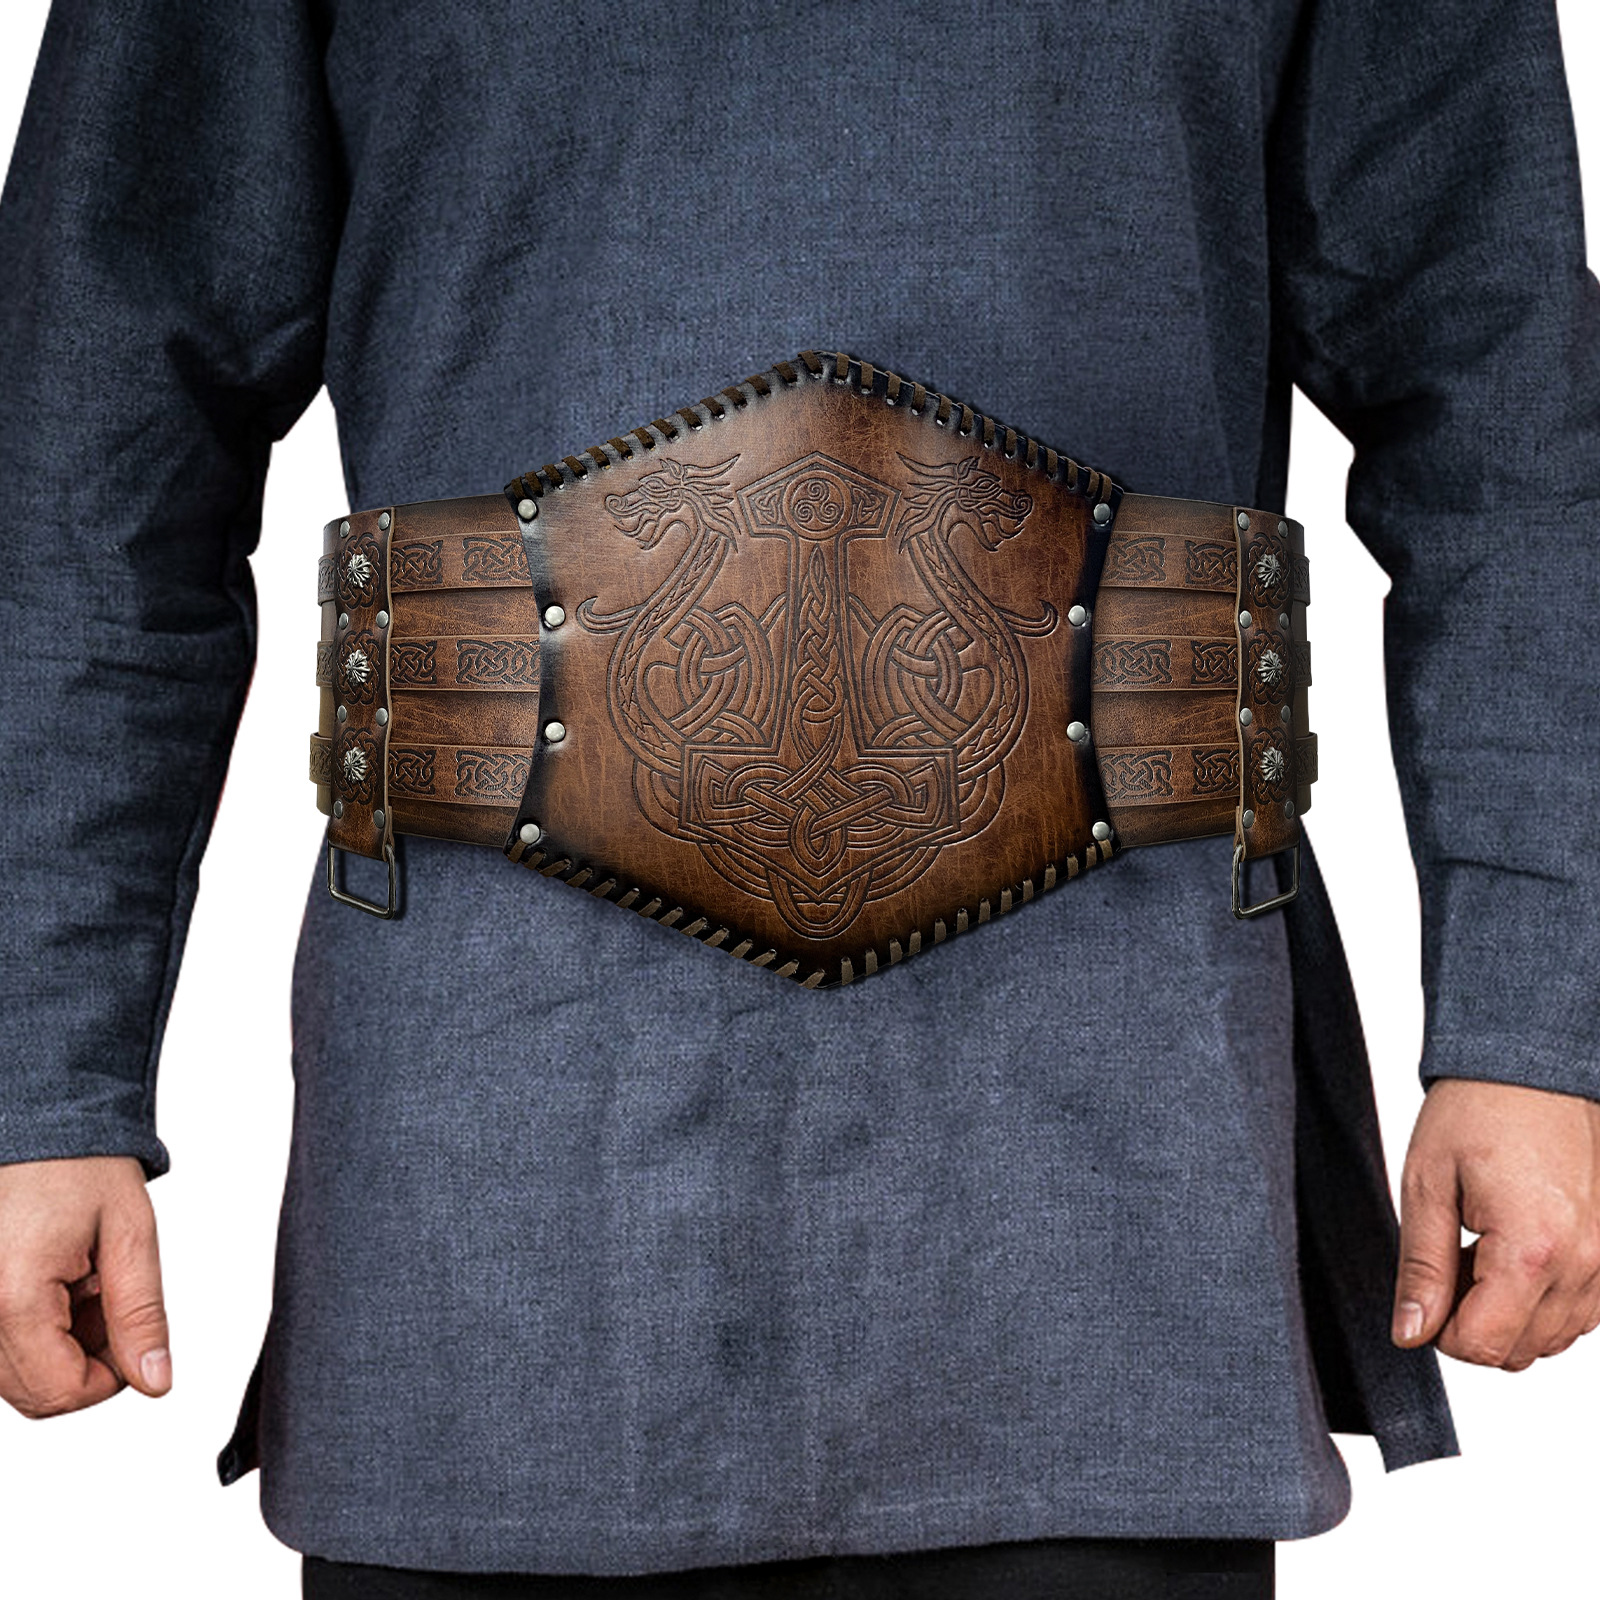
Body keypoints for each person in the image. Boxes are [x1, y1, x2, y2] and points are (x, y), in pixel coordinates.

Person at [2, 4, 1598, 1599]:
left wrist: (1533, 1028)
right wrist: (37, 1079)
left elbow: (1507, 413)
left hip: (1107, 1130)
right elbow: (89, 448)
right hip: (504, 1128)